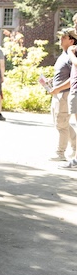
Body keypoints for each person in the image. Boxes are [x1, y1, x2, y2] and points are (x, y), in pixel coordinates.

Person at [48, 28, 77, 162]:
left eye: (64, 37)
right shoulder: (64, 54)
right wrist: (51, 81)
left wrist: (58, 88)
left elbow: (73, 79)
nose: (61, 39)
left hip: (64, 95)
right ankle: (75, 145)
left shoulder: (72, 57)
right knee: (60, 123)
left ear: (71, 40)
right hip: (58, 93)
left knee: (61, 124)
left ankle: (60, 153)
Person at [58, 28, 77, 170]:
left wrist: (71, 53)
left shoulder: (72, 52)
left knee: (64, 123)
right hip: (70, 91)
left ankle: (67, 155)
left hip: (70, 91)